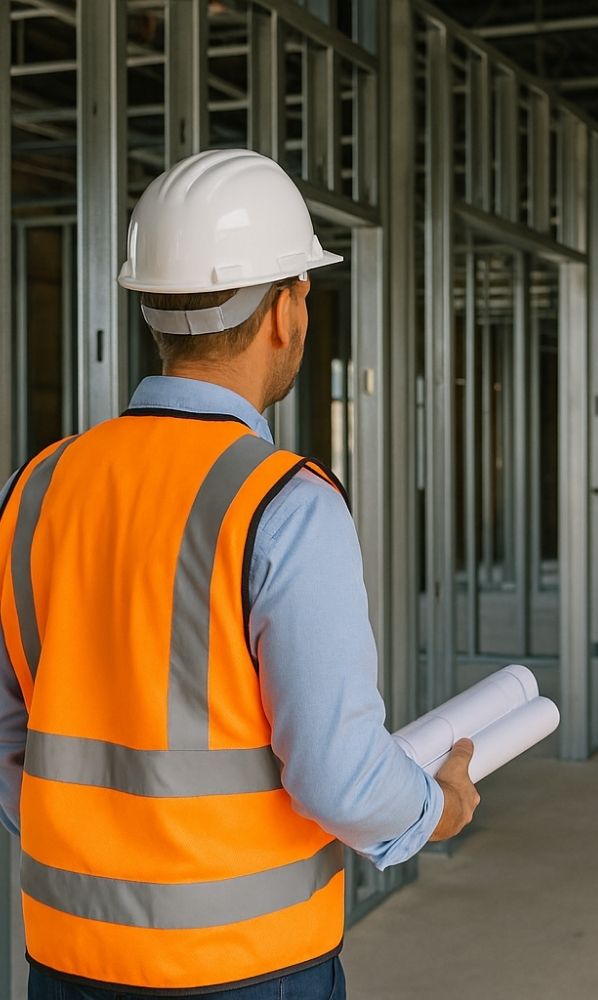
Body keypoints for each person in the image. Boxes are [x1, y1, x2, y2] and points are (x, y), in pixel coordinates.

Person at [0, 149, 480, 999]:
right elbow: (337, 774)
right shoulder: (283, 504)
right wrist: (431, 809)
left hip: (67, 958)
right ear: (285, 315)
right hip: (246, 968)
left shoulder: (35, 488)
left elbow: (11, 737)